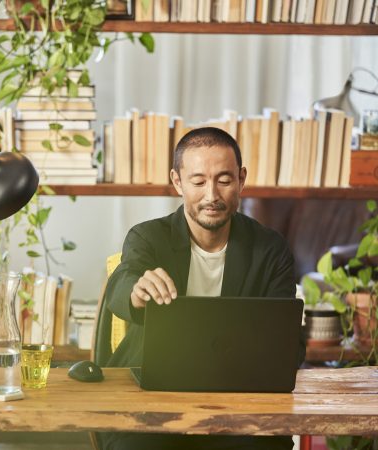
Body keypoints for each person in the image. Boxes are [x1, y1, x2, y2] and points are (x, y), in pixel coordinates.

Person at [99, 127, 304, 450]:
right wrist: (137, 293)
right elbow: (122, 284)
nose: (211, 195)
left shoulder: (269, 249)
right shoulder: (148, 237)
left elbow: (286, 342)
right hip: (152, 403)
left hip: (238, 404)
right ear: (177, 181)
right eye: (198, 182)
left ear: (241, 180)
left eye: (224, 180)